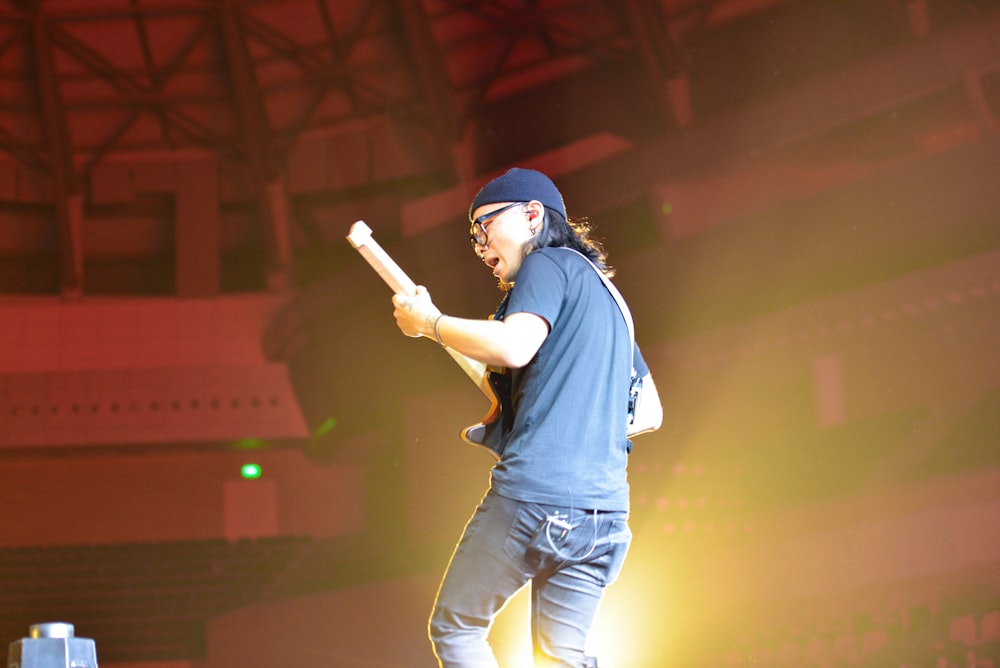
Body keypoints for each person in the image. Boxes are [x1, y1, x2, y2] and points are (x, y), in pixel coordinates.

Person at [390, 167, 662, 667]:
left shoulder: (548, 264)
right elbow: (648, 412)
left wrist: (430, 324)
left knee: (457, 627)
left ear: (532, 215)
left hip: (536, 494)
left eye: (484, 227)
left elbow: (515, 346)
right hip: (604, 515)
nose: (479, 245)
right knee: (562, 656)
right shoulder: (608, 299)